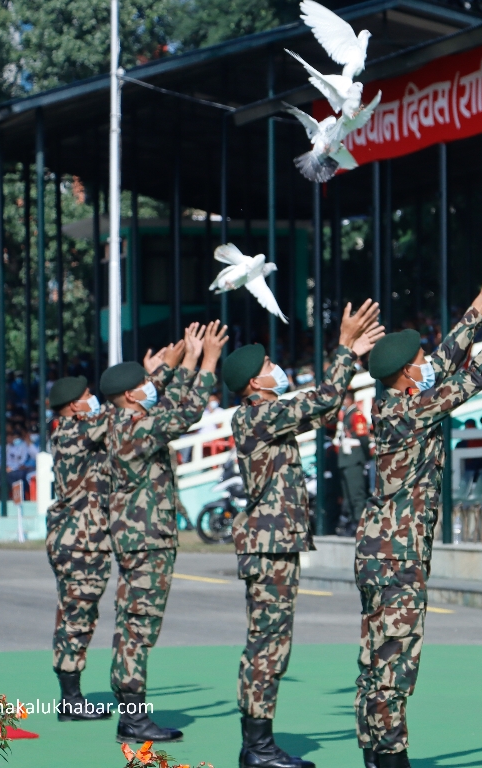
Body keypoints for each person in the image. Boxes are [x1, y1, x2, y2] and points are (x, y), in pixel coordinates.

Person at [357, 274, 482, 768]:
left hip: (384, 549)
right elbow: (476, 374)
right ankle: (389, 756)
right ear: (406, 374)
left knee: (379, 656)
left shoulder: (400, 400)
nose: (429, 365)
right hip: (395, 554)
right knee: (393, 661)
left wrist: (478, 306)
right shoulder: (409, 410)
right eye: (418, 363)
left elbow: (444, 360)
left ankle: (377, 752)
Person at [225, 301, 382, 768]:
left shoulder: (267, 416)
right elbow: (323, 400)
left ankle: (258, 742)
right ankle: (256, 746)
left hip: (275, 545)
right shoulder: (255, 415)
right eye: (270, 366)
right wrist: (342, 350)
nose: (277, 369)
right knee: (267, 645)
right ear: (255, 382)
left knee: (271, 643)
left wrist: (351, 355)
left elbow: (321, 410)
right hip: (268, 547)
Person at [104, 321, 226, 744]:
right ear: (129, 396)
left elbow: (166, 403)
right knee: (138, 628)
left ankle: (130, 711)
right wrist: (207, 361)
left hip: (139, 539)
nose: (149, 386)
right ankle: (134, 717)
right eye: (143, 383)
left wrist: (185, 360)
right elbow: (186, 413)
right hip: (146, 542)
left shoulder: (126, 419)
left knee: (132, 626)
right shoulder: (135, 426)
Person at [45, 375, 114, 722]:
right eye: (88, 395)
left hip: (76, 537)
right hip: (80, 540)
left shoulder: (72, 431)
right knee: (77, 616)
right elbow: (118, 413)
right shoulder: (74, 431)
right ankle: (71, 700)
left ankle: (70, 694)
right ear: (74, 405)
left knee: (73, 613)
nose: (94, 399)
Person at [336, 389, 373, 537]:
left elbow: (363, 437)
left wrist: (364, 456)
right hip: (346, 459)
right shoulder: (346, 415)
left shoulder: (356, 415)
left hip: (354, 459)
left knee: (357, 494)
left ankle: (359, 524)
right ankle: (352, 522)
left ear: (349, 399)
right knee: (349, 494)